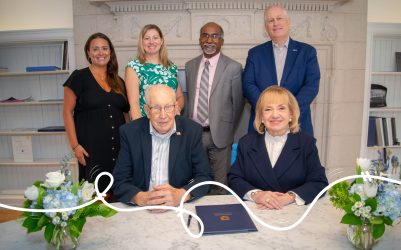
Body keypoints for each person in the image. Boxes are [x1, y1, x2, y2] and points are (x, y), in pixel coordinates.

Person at [228, 86, 328, 209]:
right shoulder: (246, 143)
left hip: (294, 213)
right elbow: (234, 179)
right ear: (261, 117)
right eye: (268, 109)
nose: (275, 115)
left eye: (281, 108)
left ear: (291, 114)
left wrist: (290, 197)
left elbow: (319, 182)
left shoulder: (306, 144)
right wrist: (256, 195)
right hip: (255, 211)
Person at [112, 84, 213, 207]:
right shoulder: (130, 133)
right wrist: (139, 198)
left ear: (176, 108)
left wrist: (181, 195)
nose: (163, 115)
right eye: (156, 108)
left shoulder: (191, 131)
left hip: (178, 208)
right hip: (141, 209)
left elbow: (204, 176)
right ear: (148, 111)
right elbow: (119, 180)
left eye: (168, 107)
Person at [63, 32, 129, 193]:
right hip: (91, 149)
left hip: (119, 148)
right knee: (93, 194)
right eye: (95, 49)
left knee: (119, 192)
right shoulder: (79, 77)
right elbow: (66, 112)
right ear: (88, 53)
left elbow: (126, 114)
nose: (101, 53)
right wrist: (75, 146)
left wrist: (129, 144)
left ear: (110, 52)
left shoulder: (118, 81)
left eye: (105, 48)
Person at [185, 22, 244, 195]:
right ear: (199, 39)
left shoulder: (233, 67)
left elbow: (238, 104)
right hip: (195, 134)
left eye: (215, 36)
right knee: (195, 181)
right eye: (205, 35)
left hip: (220, 135)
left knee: (220, 185)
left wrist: (226, 128)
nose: (209, 40)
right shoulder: (190, 66)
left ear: (221, 41)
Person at [242, 5, 320, 136]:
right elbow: (248, 84)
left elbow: (311, 85)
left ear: (288, 22)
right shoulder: (255, 53)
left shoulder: (307, 52)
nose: (275, 23)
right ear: (266, 27)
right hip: (262, 125)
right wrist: (267, 111)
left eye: (279, 18)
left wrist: (289, 112)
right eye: (270, 20)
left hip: (297, 123)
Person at [125, 24, 185, 120]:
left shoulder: (171, 66)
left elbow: (180, 97)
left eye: (155, 38)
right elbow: (134, 104)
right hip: (146, 124)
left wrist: (176, 110)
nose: (151, 42)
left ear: (161, 41)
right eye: (147, 38)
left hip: (170, 123)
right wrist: (139, 130)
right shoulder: (133, 67)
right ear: (142, 42)